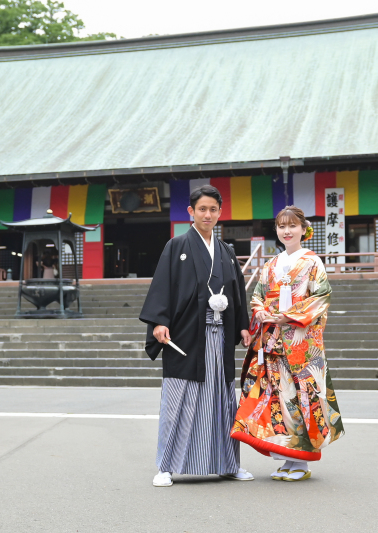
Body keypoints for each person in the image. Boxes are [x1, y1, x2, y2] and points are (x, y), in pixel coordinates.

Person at [139, 185, 253, 487]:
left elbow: (238, 292)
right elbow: (163, 285)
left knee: (223, 399)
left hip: (220, 338)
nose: (208, 214)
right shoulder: (177, 246)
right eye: (202, 209)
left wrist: (243, 325)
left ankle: (229, 464)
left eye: (213, 209)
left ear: (219, 212)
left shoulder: (226, 252)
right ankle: (165, 466)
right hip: (188, 335)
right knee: (180, 397)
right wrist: (158, 322)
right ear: (191, 212)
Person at [230, 205, 344, 481]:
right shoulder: (271, 263)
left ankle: (301, 463)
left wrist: (287, 316)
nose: (287, 231)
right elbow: (257, 295)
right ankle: (286, 458)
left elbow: (320, 298)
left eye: (292, 226)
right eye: (282, 226)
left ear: (303, 230)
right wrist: (261, 313)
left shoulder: (312, 262)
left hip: (299, 343)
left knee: (299, 398)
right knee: (278, 400)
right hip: (272, 340)